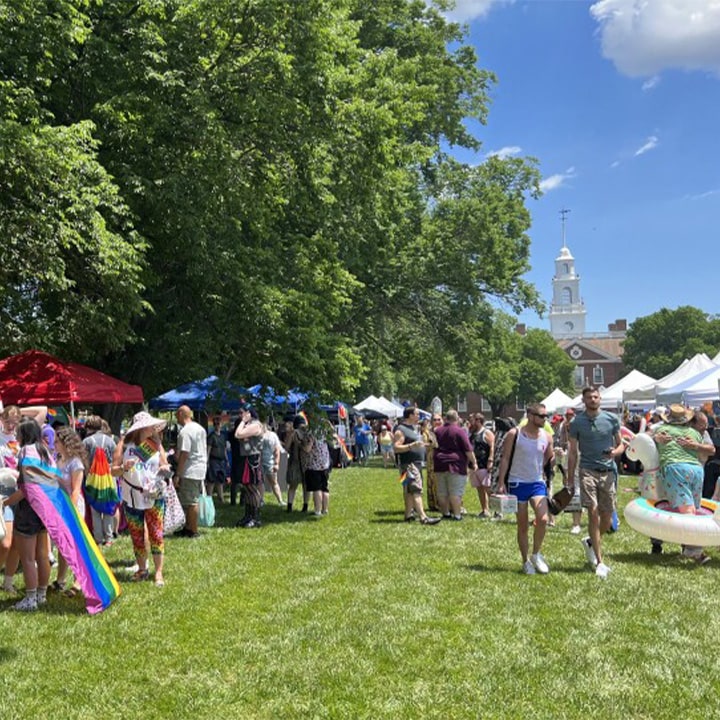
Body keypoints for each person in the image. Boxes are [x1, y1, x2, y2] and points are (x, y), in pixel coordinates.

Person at [567, 387, 624, 579]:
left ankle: (591, 541)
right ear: (584, 401)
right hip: (587, 471)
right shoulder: (576, 422)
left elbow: (621, 444)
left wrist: (615, 453)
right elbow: (573, 451)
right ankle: (600, 561)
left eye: (595, 397)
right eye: (589, 397)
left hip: (608, 472)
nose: (592, 399)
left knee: (606, 519)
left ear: (600, 399)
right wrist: (569, 477)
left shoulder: (611, 419)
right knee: (592, 511)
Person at [112, 411, 170, 586]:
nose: (152, 429)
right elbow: (113, 470)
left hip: (153, 495)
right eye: (149, 426)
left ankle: (158, 572)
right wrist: (123, 467)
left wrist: (166, 468)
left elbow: (164, 463)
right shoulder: (124, 445)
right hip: (132, 496)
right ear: (140, 428)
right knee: (136, 535)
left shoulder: (155, 443)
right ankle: (142, 568)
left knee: (156, 534)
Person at [497, 403, 554, 574]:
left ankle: (536, 554)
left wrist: (551, 464)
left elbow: (548, 458)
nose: (545, 419)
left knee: (543, 519)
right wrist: (501, 483)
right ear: (530, 415)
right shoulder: (514, 434)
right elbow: (505, 459)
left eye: (546, 416)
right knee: (522, 526)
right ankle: (525, 560)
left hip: (537, 482)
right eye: (541, 416)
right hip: (517, 483)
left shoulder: (547, 436)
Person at [3, 419, 54, 610]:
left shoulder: (25, 451)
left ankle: (30, 599)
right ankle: (41, 595)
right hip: (45, 508)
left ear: (24, 434)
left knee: (27, 558)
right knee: (43, 555)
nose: (16, 435)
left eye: (18, 433)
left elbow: (26, 488)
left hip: (29, 510)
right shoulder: (45, 452)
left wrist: (5, 502)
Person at [653, 405, 710, 564]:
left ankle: (695, 551)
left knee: (687, 511)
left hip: (674, 468)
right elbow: (710, 450)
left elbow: (641, 439)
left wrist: (655, 439)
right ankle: (691, 547)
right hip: (696, 470)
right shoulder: (693, 433)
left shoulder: (661, 430)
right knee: (694, 509)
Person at [52, 426, 88, 595]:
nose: (54, 444)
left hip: (73, 507)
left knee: (75, 546)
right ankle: (60, 580)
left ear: (66, 442)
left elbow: (75, 490)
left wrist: (70, 513)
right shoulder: (59, 459)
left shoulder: (76, 463)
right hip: (60, 506)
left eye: (57, 441)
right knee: (62, 545)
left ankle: (78, 582)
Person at [393, 407, 441, 525]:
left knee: (409, 491)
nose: (419, 416)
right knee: (416, 489)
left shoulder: (413, 429)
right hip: (409, 465)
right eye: (417, 414)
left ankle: (408, 515)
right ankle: (423, 517)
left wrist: (424, 445)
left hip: (416, 464)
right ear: (410, 415)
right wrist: (412, 445)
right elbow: (396, 448)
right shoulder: (401, 430)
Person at [433, 409, 476, 521]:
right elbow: (468, 449)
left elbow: (433, 445)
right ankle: (457, 515)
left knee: (442, 492)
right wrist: (474, 462)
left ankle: (445, 513)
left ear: (446, 418)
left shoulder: (437, 431)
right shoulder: (459, 431)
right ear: (457, 419)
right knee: (455, 491)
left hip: (439, 463)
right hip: (456, 464)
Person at [82, 415, 118, 547]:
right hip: (108, 477)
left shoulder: (86, 442)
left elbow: (84, 461)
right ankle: (109, 537)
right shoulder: (110, 440)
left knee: (95, 509)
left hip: (92, 478)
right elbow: (115, 459)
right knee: (108, 508)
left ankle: (98, 538)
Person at [174, 405, 208, 538]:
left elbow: (184, 453)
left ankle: (193, 531)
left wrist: (178, 473)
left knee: (191, 501)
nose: (176, 417)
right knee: (189, 499)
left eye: (177, 414)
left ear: (182, 414)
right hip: (200, 467)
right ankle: (187, 527)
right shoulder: (200, 428)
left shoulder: (185, 431)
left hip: (190, 469)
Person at [233, 406, 264, 527]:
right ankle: (248, 515)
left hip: (253, 459)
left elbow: (238, 434)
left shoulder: (255, 425)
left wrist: (243, 421)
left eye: (242, 412)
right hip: (246, 457)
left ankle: (256, 518)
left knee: (252, 488)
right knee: (246, 488)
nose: (240, 415)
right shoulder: (249, 425)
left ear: (249, 413)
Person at [469, 413, 494, 518]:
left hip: (484, 464)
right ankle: (485, 509)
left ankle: (497, 511)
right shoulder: (472, 433)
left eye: (472, 420)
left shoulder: (486, 432)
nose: (470, 422)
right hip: (475, 466)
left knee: (488, 489)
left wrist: (491, 459)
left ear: (478, 420)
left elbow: (493, 446)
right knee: (479, 488)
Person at [285, 414, 309, 513]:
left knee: (293, 485)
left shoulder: (293, 433)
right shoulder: (308, 433)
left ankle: (289, 506)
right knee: (306, 486)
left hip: (295, 461)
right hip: (307, 462)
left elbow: (286, 447)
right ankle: (305, 506)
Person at [261, 420, 284, 506]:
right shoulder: (258, 435)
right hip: (260, 462)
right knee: (261, 482)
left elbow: (277, 450)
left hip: (270, 462)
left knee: (274, 482)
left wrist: (276, 463)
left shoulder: (272, 435)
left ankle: (280, 500)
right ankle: (261, 500)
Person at [206, 415, 228, 504]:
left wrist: (226, 460)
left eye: (218, 423)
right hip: (213, 460)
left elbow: (225, 449)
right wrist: (207, 461)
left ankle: (221, 498)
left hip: (221, 460)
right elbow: (208, 449)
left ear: (221, 424)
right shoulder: (211, 436)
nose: (217, 425)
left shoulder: (223, 436)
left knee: (220, 480)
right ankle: (209, 498)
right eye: (215, 424)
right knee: (211, 480)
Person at [422, 417, 440, 511]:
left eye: (439, 419)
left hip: (442, 458)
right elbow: (424, 443)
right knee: (432, 480)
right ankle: (434, 503)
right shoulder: (427, 432)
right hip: (431, 458)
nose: (437, 422)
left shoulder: (445, 430)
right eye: (435, 420)